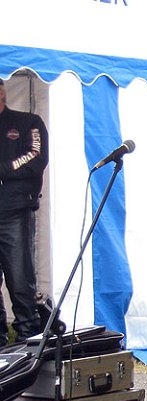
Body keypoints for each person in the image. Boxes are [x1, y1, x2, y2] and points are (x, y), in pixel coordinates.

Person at [0, 77, 48, 343]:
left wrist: (5, 170)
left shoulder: (28, 123)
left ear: (3, 94)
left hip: (15, 214)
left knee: (20, 281)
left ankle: (29, 338)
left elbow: (36, 157)